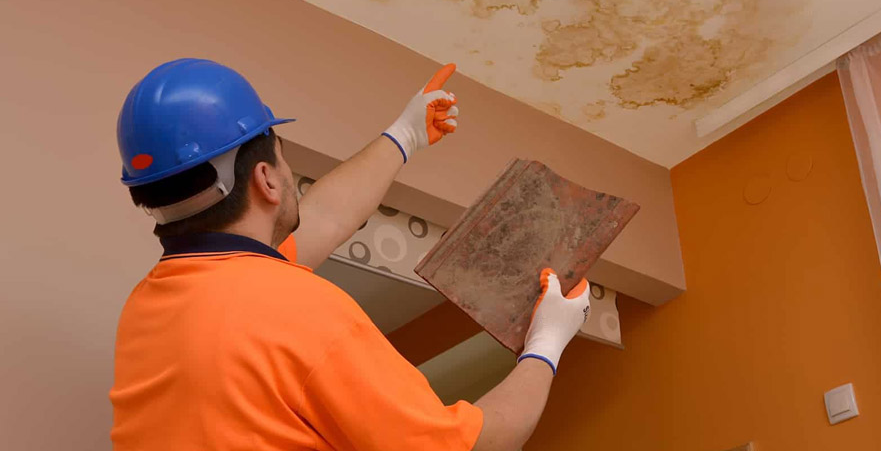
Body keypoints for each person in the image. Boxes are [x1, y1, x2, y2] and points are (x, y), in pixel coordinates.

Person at [110, 58, 590, 451]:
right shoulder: (297, 308)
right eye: (281, 152)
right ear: (266, 179)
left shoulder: (151, 308)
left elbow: (324, 219)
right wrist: (546, 345)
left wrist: (404, 136)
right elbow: (467, 445)